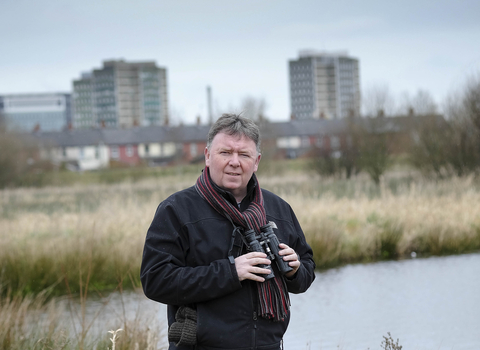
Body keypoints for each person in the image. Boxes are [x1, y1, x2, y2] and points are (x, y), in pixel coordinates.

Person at [141, 114, 316, 350]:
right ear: (207, 156)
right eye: (225, 153)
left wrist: (295, 271)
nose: (235, 162)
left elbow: (306, 271)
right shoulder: (176, 210)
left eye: (244, 154)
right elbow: (155, 281)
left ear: (256, 161)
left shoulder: (278, 210)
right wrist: (230, 272)